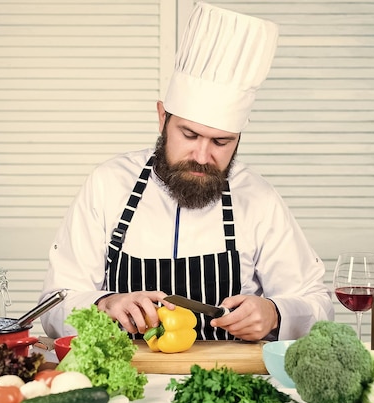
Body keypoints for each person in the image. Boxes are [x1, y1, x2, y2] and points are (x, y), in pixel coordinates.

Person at [39, 2, 334, 342]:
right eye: (189, 135)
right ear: (163, 118)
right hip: (128, 383)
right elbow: (53, 305)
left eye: (221, 142)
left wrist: (276, 314)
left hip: (229, 382)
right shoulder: (108, 185)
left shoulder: (258, 198)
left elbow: (318, 304)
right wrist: (104, 304)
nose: (202, 155)